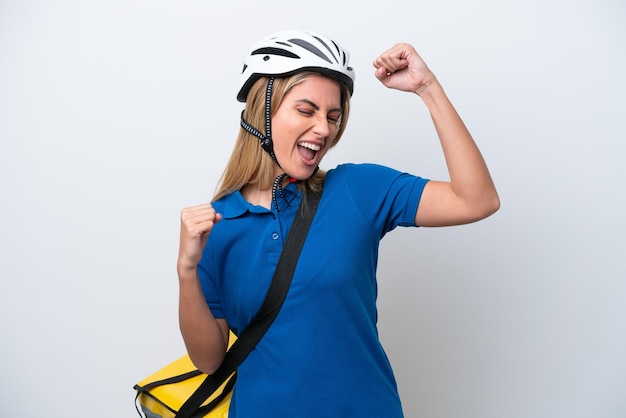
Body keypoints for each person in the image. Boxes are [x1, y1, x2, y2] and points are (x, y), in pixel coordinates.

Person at [177, 29, 499, 417]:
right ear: (262, 113)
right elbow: (209, 361)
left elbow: (477, 199)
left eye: (333, 116)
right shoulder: (216, 224)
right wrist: (186, 270)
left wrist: (427, 87)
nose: (324, 129)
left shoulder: (356, 190)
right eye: (306, 110)